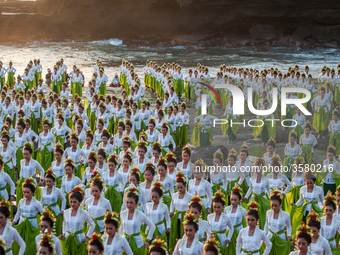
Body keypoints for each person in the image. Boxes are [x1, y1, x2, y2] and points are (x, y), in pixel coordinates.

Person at [59, 186, 95, 255]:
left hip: (79, 239)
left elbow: (92, 224)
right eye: (71, 202)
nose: (72, 204)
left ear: (79, 202)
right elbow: (64, 223)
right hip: (68, 237)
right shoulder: (66, 212)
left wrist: (87, 236)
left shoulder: (84, 213)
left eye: (75, 202)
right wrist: (64, 233)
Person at [13, 178, 44, 255]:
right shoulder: (21, 201)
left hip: (32, 224)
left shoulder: (36, 203)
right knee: (21, 241)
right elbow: (18, 212)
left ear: (32, 192)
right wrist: (14, 221)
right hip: (22, 223)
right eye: (24, 192)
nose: (26, 194)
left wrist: (42, 224)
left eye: (28, 192)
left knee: (30, 242)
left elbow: (43, 213)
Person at [119, 189, 155, 255]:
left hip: (137, 243)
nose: (129, 205)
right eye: (127, 202)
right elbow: (121, 228)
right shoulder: (123, 214)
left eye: (131, 203)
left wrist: (147, 240)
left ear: (136, 203)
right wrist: (119, 239)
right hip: (125, 242)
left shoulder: (140, 214)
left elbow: (152, 226)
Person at [169, 171, 193, 252]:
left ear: (185, 186)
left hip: (185, 217)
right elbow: (172, 204)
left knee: (184, 233)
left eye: (181, 187)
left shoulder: (190, 196)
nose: (179, 189)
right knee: (176, 233)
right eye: (178, 187)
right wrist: (171, 211)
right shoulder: (175, 195)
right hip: (176, 217)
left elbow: (192, 206)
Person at [264, 190, 292, 255]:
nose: (274, 208)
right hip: (270, 237)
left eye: (276, 205)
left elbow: (289, 226)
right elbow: (266, 224)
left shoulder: (286, 215)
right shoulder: (268, 212)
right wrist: (264, 235)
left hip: (280, 238)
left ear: (280, 204)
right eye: (272, 205)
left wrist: (288, 235)